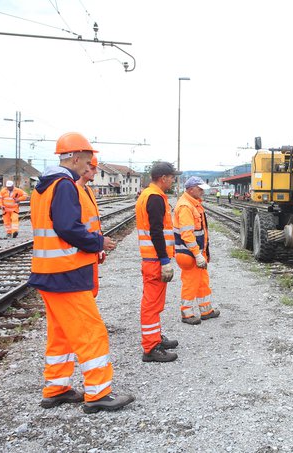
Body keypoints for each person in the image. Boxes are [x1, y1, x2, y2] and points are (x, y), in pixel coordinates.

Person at [28, 132, 134, 413]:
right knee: (92, 332)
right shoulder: (64, 185)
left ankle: (56, 388)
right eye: (86, 160)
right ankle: (98, 393)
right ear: (75, 157)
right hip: (66, 272)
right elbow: (67, 227)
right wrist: (98, 241)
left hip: (48, 271)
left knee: (60, 335)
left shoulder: (44, 186)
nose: (88, 165)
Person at [135, 162, 180, 363]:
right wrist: (164, 260)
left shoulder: (150, 195)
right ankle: (151, 347)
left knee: (154, 302)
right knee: (152, 305)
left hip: (152, 258)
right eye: (172, 177)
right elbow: (156, 231)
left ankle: (154, 338)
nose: (173, 181)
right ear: (163, 178)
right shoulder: (154, 198)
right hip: (154, 259)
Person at [174, 176, 220, 324]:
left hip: (196, 253)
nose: (202, 192)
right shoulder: (186, 207)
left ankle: (206, 310)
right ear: (191, 189)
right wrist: (197, 254)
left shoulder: (193, 204)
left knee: (202, 281)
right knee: (190, 282)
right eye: (199, 189)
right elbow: (187, 234)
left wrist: (201, 254)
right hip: (189, 254)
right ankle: (186, 314)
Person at [76, 156, 103, 297]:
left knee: (91, 291)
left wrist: (99, 246)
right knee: (85, 293)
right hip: (81, 253)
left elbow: (92, 223)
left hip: (91, 249)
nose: (96, 172)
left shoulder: (87, 190)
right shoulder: (74, 190)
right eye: (92, 168)